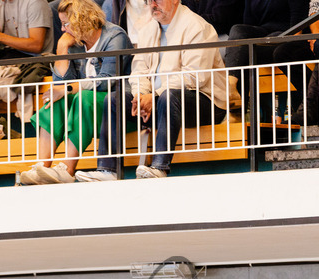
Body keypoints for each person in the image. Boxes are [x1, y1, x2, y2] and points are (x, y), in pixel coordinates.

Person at [74, 0, 229, 181]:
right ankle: (108, 170)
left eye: (158, 0)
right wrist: (140, 95)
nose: (153, 4)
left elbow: (194, 76)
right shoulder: (147, 30)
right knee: (115, 99)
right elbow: (139, 70)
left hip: (207, 103)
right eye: (149, 1)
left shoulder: (197, 27)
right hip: (159, 101)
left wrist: (153, 95)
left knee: (169, 96)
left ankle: (159, 167)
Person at [19, 0, 132, 185]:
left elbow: (107, 80)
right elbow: (60, 84)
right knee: (56, 100)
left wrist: (67, 89)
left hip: (115, 106)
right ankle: (42, 167)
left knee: (83, 97)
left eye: (66, 24)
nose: (63, 29)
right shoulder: (76, 42)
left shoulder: (114, 36)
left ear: (82, 20)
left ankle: (67, 169)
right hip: (86, 104)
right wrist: (62, 48)